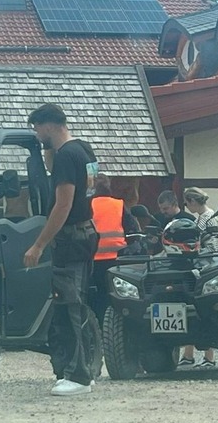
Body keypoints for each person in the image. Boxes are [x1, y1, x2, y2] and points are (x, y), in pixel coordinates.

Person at [23, 103, 100, 397]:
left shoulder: (68, 155)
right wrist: (48, 150)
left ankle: (78, 375)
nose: (37, 134)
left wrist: (39, 243)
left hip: (71, 236)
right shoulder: (82, 149)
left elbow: (63, 203)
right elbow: (56, 170)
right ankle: (80, 370)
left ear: (48, 125)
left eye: (37, 128)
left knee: (69, 304)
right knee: (76, 301)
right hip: (88, 232)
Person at [89, 173, 139, 325]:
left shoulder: (87, 205)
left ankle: (97, 327)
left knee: (95, 297)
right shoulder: (118, 205)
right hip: (116, 259)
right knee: (115, 296)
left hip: (92, 260)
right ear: (108, 187)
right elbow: (133, 231)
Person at [179, 187, 218, 369]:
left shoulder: (208, 219)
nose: (186, 207)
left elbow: (212, 245)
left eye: (187, 203)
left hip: (206, 266)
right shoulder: (203, 217)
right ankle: (188, 354)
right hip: (201, 264)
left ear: (193, 202)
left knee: (201, 306)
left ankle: (208, 356)